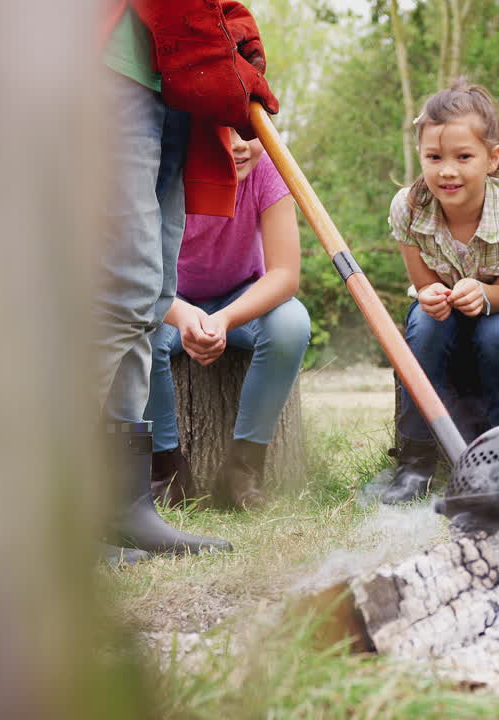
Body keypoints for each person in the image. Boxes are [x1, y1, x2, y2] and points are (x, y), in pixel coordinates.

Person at [98, 0, 279, 564]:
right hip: (108, 68)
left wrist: (237, 39)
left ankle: (123, 503)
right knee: (119, 290)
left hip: (177, 85)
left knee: (149, 301)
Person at [378, 79, 499, 504]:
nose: (447, 171)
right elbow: (423, 285)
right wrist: (432, 295)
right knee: (421, 326)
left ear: (492, 159)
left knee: (498, 333)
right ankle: (414, 461)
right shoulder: (409, 207)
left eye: (463, 157)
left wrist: (484, 294)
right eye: (433, 157)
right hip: (445, 310)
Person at [145, 128, 309, 511]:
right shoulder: (160, 170)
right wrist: (183, 314)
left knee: (292, 325)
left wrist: (223, 319)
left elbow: (284, 274)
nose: (237, 144)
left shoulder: (267, 169)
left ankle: (242, 469)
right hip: (170, 301)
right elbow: (132, 274)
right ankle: (166, 470)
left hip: (242, 297)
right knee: (137, 337)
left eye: (247, 131)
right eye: (219, 130)